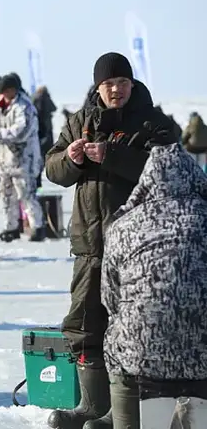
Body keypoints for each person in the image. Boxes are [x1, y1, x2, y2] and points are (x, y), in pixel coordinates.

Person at [45, 52, 179, 429]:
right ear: (98, 87)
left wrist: (113, 155)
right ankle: (92, 405)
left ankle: (124, 413)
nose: (115, 90)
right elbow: (53, 168)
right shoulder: (80, 121)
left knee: (133, 327)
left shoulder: (155, 123)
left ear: (132, 85)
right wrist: (71, 159)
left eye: (121, 83)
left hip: (140, 249)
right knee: (85, 323)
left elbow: (166, 170)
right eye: (108, 84)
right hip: (90, 244)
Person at [101, 144, 207, 428]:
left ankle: (126, 421)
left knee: (114, 341)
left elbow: (110, 299)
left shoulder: (123, 226)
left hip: (144, 353)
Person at [0, 74, 45, 242]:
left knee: (26, 194)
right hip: (4, 160)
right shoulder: (0, 105)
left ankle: (37, 227)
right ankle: (11, 227)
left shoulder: (25, 107)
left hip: (24, 161)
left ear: (13, 89)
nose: (3, 95)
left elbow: (21, 132)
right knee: (6, 196)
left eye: (6, 91)